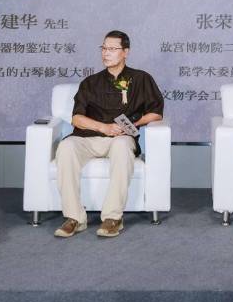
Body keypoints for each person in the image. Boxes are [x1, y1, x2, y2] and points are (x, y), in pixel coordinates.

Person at [54, 30, 164, 238]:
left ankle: (113, 218)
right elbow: (77, 119)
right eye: (104, 48)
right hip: (88, 138)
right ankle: (74, 218)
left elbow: (156, 113)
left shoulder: (141, 79)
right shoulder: (90, 82)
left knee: (122, 145)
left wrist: (133, 124)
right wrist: (103, 127)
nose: (106, 53)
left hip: (121, 139)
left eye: (112, 49)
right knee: (66, 147)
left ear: (125, 52)